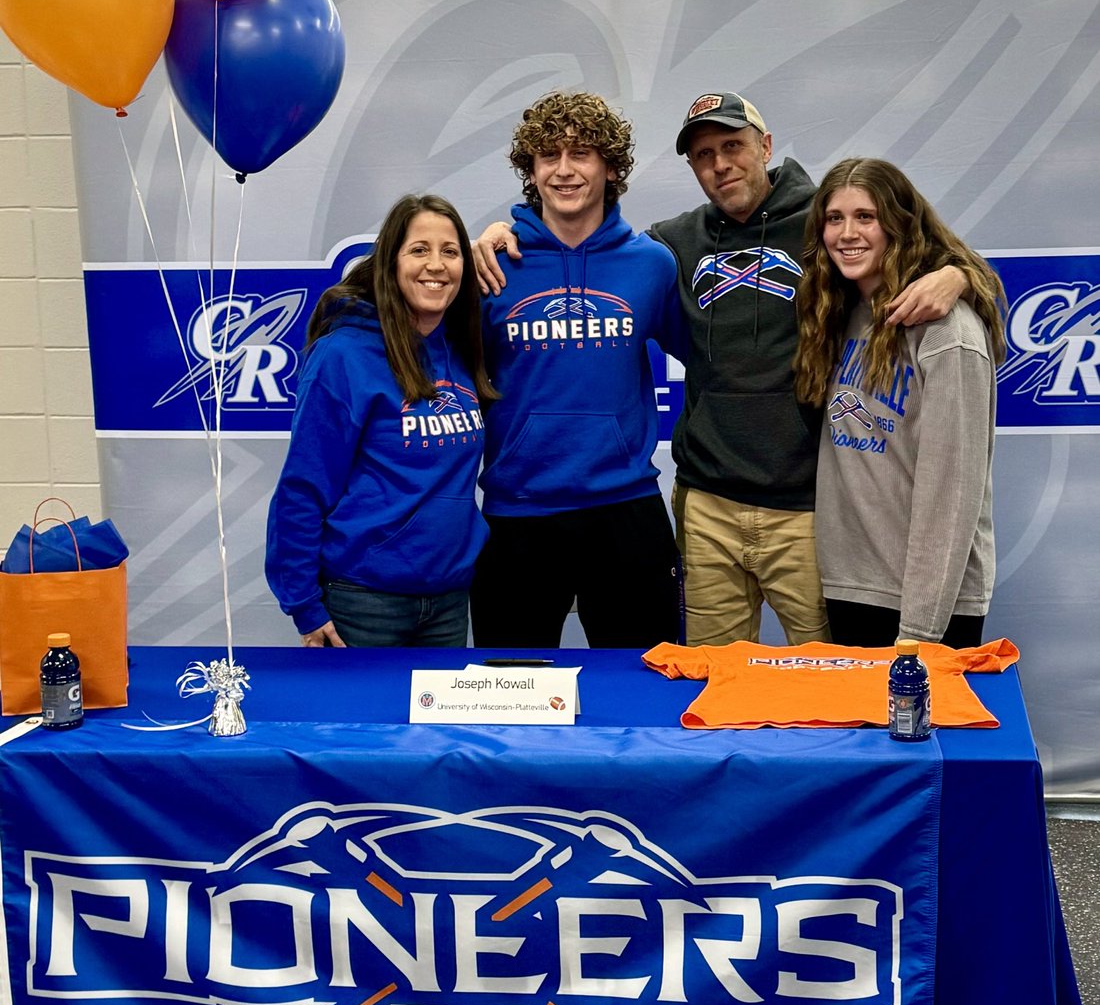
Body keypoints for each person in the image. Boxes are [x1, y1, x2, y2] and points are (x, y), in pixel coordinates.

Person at [474, 92, 968, 647]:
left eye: (733, 146)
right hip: (685, 501)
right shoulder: (656, 249)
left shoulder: (820, 226)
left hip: (799, 502)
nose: (720, 164)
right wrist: (485, 240)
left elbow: (906, 247)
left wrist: (958, 275)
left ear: (766, 146)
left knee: (832, 676)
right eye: (704, 154)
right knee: (691, 681)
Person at [469, 91, 686, 650]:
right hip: (518, 512)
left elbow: (714, 360)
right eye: (549, 156)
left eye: (581, 154)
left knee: (645, 686)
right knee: (507, 692)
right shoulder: (492, 266)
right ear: (531, 170)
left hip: (624, 508)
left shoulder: (651, 264)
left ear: (610, 168)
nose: (564, 170)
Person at [265, 193, 497, 648]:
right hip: (364, 602)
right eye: (419, 250)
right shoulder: (344, 355)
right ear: (390, 262)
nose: (436, 265)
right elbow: (304, 485)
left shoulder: (461, 349)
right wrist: (304, 604)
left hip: (449, 602)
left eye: (450, 252)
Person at [793, 158, 1006, 648]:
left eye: (866, 217)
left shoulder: (948, 332)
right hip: (853, 588)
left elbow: (951, 495)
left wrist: (918, 633)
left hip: (925, 606)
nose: (848, 233)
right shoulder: (842, 312)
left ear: (900, 223)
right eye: (834, 218)